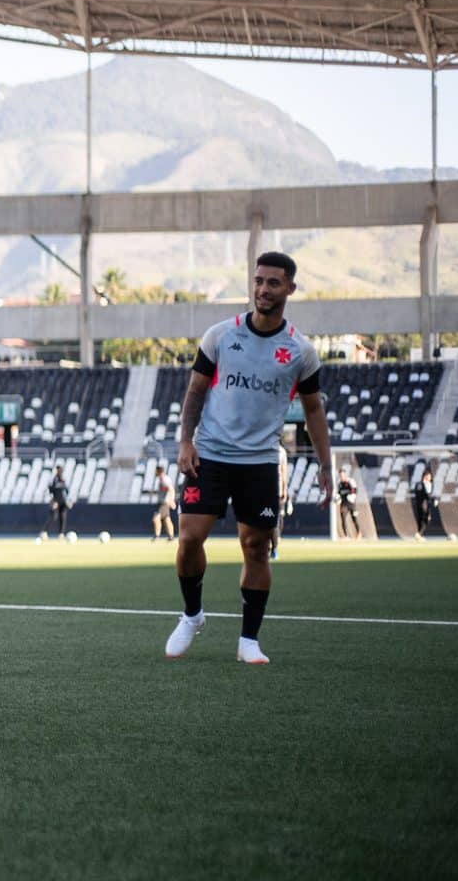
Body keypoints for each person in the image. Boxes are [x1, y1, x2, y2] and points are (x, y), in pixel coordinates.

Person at [164, 252, 332, 665]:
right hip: (211, 453)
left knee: (256, 547)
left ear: (290, 288)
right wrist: (185, 441)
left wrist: (326, 465)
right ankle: (192, 614)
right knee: (189, 538)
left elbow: (313, 411)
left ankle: (248, 640)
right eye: (259, 281)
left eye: (273, 282)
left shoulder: (301, 351)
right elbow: (195, 391)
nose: (263, 289)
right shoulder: (221, 336)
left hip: (259, 461)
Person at [151, 464, 176, 541]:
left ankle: (157, 536)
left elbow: (171, 489)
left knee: (156, 518)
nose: (155, 473)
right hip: (163, 502)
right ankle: (171, 536)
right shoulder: (162, 479)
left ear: (159, 471)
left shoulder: (165, 479)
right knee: (166, 519)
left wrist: (171, 500)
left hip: (165, 503)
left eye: (156, 471)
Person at [336, 465, 361, 539]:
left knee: (354, 519)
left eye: (342, 474)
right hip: (344, 504)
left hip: (351, 503)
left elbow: (355, 490)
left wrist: (351, 496)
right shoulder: (339, 483)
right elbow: (338, 493)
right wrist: (337, 498)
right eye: (340, 475)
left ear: (345, 474)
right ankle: (346, 536)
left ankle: (359, 533)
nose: (341, 476)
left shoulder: (350, 481)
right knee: (343, 519)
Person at [411, 468, 436, 541]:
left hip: (417, 504)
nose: (430, 478)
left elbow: (416, 493)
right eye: (429, 476)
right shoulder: (427, 484)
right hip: (424, 504)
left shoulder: (418, 484)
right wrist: (434, 500)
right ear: (425, 476)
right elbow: (427, 495)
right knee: (426, 519)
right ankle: (419, 534)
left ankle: (419, 536)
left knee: (420, 520)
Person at [47, 465, 71, 540]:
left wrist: (69, 500)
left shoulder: (64, 479)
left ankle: (61, 533)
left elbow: (67, 491)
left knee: (62, 517)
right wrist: (53, 501)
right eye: (58, 470)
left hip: (63, 501)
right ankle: (45, 532)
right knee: (53, 516)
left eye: (60, 470)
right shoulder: (54, 479)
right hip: (56, 501)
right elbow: (51, 490)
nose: (60, 471)